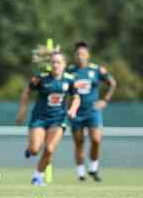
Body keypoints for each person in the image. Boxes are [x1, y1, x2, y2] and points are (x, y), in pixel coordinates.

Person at [15, 52, 80, 186]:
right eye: (53, 62)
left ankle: (37, 177)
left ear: (64, 64)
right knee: (34, 150)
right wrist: (22, 111)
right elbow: (27, 92)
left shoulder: (70, 79)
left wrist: (73, 109)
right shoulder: (41, 78)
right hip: (39, 118)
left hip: (58, 119)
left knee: (50, 149)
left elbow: (77, 98)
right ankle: (30, 149)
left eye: (58, 62)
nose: (55, 65)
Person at [67, 41, 116, 182]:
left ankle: (93, 169)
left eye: (82, 53)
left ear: (88, 55)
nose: (80, 56)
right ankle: (81, 173)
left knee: (96, 139)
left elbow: (112, 83)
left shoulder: (96, 70)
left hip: (92, 111)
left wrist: (105, 100)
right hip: (76, 112)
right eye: (77, 54)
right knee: (79, 142)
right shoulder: (70, 71)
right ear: (74, 56)